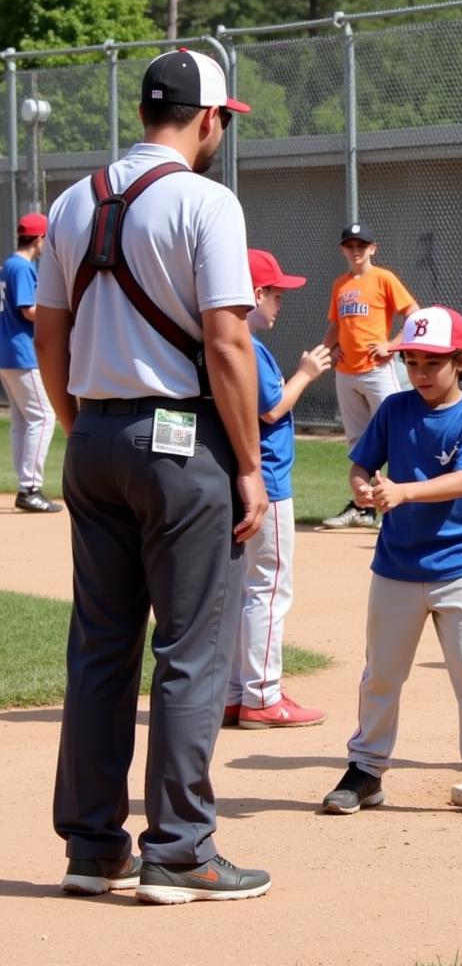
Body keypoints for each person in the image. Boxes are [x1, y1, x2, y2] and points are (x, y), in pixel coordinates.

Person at [35, 48, 271, 904]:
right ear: (207, 119)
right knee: (188, 651)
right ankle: (180, 850)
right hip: (182, 444)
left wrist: (81, 427)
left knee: (100, 649)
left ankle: (93, 848)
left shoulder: (71, 199)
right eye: (223, 122)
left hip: (92, 433)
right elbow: (228, 342)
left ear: (146, 112)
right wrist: (249, 466)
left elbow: (48, 336)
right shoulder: (208, 201)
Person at [321, 306, 462, 819]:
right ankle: (366, 770)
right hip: (396, 567)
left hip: (458, 564)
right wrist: (362, 486)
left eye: (433, 361)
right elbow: (363, 463)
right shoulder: (394, 408)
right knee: (381, 674)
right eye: (412, 360)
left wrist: (403, 491)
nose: (421, 372)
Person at [224, 249, 332, 730]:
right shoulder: (249, 345)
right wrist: (306, 374)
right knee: (267, 588)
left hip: (231, 479)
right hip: (264, 481)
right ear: (252, 293)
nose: (279, 303)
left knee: (238, 589)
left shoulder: (213, 339)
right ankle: (263, 696)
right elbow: (271, 409)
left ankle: (233, 692)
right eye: (274, 293)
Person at [320, 223, 419, 530]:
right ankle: (363, 507)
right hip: (346, 373)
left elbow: (413, 312)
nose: (356, 251)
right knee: (360, 442)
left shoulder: (383, 278)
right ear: (342, 250)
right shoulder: (340, 284)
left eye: (361, 245)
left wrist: (393, 345)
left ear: (373, 248)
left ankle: (402, 502)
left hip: (377, 370)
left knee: (396, 433)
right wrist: (328, 350)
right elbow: (337, 325)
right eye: (350, 246)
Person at [0, 212, 61, 513]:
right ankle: (30, 488)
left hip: (7, 353)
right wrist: (62, 315)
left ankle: (26, 485)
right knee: (44, 416)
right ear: (38, 239)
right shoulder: (22, 268)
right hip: (23, 352)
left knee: (23, 420)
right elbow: (29, 309)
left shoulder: (7, 265)